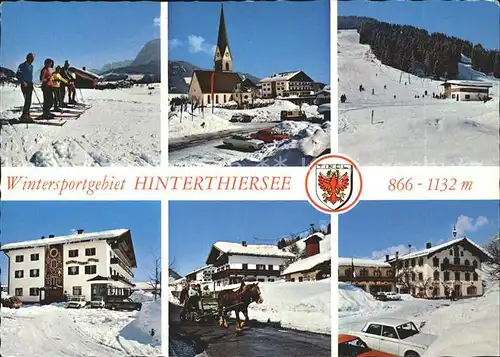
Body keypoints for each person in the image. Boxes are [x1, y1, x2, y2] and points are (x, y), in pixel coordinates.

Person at [15, 53, 35, 121]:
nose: (32, 60)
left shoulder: (31, 66)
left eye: (33, 59)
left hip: (30, 84)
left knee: (29, 100)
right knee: (27, 100)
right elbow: (17, 75)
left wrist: (31, 83)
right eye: (31, 58)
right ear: (28, 58)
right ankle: (24, 116)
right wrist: (23, 82)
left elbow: (30, 75)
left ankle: (26, 114)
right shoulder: (22, 65)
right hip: (24, 85)